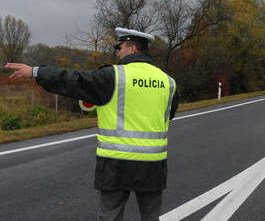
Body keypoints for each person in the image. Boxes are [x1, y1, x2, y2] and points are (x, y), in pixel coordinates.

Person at [5, 27, 179, 221]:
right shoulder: (168, 82)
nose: (117, 52)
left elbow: (72, 80)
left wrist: (35, 72)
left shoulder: (113, 76)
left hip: (115, 164)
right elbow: (167, 115)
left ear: (132, 48)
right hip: (152, 167)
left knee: (110, 217)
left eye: (119, 47)